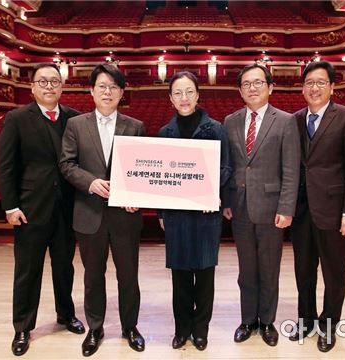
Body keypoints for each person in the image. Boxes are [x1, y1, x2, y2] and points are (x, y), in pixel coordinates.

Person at [0, 63, 84, 357]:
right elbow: (6, 166)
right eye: (43, 81)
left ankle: (65, 314)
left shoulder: (74, 118)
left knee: (64, 267)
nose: (49, 86)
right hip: (31, 209)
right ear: (32, 86)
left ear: (62, 87)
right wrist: (10, 206)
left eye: (55, 82)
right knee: (27, 270)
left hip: (67, 209)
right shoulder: (17, 118)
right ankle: (22, 326)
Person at [59, 63, 146, 357]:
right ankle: (95, 328)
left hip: (125, 216)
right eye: (102, 86)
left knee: (128, 275)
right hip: (89, 213)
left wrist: (138, 196)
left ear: (121, 92)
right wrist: (91, 182)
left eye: (113, 87)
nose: (107, 92)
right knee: (93, 275)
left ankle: (130, 327)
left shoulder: (135, 126)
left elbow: (142, 171)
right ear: (92, 91)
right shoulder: (75, 125)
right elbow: (67, 164)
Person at [289, 60, 345, 352]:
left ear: (333, 87)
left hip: (335, 212)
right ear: (302, 88)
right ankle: (306, 320)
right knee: (303, 271)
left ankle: (329, 325)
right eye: (309, 83)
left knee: (334, 273)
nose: (314, 88)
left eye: (321, 82)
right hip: (301, 210)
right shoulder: (294, 119)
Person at [222, 64, 300, 347]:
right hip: (240, 207)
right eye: (246, 84)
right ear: (240, 90)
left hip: (271, 207)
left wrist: (286, 207)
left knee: (269, 267)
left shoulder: (286, 121)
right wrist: (227, 201)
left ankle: (267, 321)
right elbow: (228, 165)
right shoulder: (230, 120)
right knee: (246, 270)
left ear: (270, 87)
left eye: (257, 83)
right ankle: (247, 320)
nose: (252, 88)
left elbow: (291, 169)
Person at [157, 71, 232, 351]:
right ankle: (182, 328)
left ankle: (201, 330)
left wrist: (205, 192)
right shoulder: (165, 132)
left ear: (198, 95)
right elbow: (161, 177)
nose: (184, 98)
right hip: (177, 216)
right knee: (179, 276)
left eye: (189, 92)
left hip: (205, 215)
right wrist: (163, 214)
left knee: (204, 274)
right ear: (171, 99)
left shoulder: (216, 129)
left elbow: (225, 167)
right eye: (178, 93)